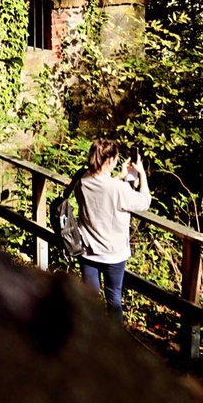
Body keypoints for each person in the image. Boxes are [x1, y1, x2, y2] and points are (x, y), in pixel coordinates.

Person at [74, 137, 151, 323]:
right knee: (114, 300)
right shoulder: (118, 188)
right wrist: (141, 174)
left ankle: (88, 340)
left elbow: (102, 189)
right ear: (109, 160)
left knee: (90, 301)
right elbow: (144, 202)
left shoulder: (82, 180)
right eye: (115, 158)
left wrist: (121, 176)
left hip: (87, 251)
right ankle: (114, 342)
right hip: (113, 254)